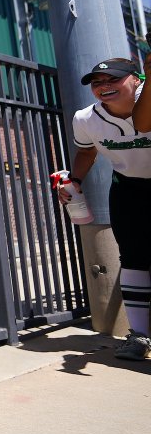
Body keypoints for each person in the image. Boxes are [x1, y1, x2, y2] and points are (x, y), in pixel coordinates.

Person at [67, 56, 151, 361]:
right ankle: (140, 336)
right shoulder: (86, 119)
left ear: (136, 79)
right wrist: (75, 180)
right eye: (97, 83)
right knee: (133, 259)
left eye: (113, 79)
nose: (104, 87)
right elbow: (86, 151)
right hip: (129, 188)